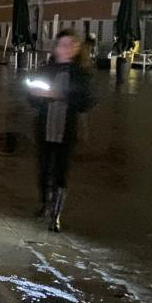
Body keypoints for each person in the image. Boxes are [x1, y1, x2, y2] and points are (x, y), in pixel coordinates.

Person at [28, 29, 95, 232]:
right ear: (56, 48)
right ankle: (45, 203)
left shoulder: (81, 73)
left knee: (61, 171)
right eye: (62, 44)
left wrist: (59, 94)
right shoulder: (46, 69)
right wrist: (37, 94)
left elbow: (87, 101)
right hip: (45, 125)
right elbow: (31, 96)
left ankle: (56, 214)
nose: (66, 49)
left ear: (76, 49)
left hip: (67, 128)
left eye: (71, 45)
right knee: (44, 168)